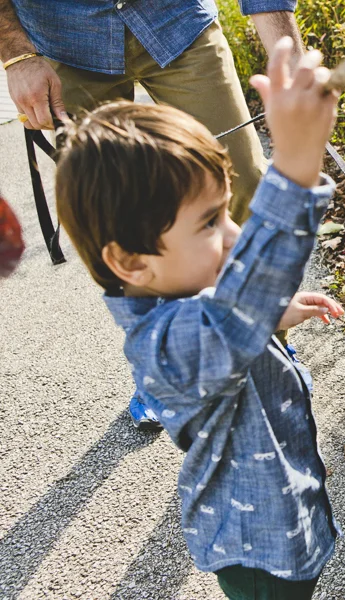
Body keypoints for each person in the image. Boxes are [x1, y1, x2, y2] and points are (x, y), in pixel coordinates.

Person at [55, 39, 344, 598]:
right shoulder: (164, 346)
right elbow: (228, 320)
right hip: (260, 552)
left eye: (228, 211)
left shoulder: (193, 305)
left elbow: (231, 320)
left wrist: (270, 316)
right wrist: (295, 168)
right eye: (211, 222)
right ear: (130, 262)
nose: (235, 235)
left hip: (283, 513)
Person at [0, 0, 303, 429]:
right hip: (63, 40)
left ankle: (265, 345)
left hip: (177, 20)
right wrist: (16, 56)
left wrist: (288, 58)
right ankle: (163, 366)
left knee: (244, 182)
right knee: (116, 224)